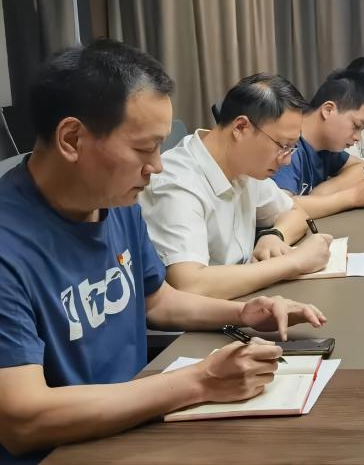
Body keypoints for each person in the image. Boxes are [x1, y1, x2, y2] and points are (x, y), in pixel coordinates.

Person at [0, 40, 326, 462]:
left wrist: (243, 314)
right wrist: (200, 381)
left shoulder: (116, 202)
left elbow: (156, 299)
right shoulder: (11, 244)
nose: (156, 166)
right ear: (72, 138)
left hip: (135, 420)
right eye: (143, 148)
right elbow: (22, 421)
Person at [140, 74, 333, 300]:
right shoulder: (177, 182)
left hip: (244, 302)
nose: (287, 160)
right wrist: (294, 262)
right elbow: (190, 285)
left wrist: (274, 235)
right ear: (241, 127)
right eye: (283, 146)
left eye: (292, 148)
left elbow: (295, 212)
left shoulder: (245, 167)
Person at [272, 69, 364, 216]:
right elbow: (279, 209)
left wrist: (321, 193)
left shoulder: (325, 148)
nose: (358, 137)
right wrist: (352, 197)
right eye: (356, 126)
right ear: (328, 110)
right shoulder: (287, 146)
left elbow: (361, 167)